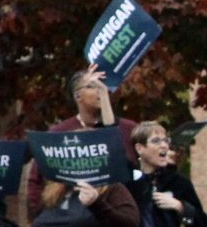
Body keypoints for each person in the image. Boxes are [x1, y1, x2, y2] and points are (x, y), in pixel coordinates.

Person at [23, 67, 140, 206]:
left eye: (103, 86)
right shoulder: (58, 133)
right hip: (70, 216)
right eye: (93, 86)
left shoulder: (129, 129)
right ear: (77, 96)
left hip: (122, 211)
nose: (101, 90)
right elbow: (35, 181)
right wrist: (42, 216)